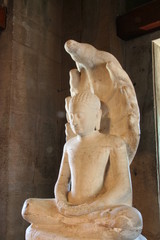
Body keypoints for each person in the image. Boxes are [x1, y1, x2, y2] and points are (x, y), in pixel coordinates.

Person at [22, 91, 143, 240]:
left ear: (97, 116)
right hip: (68, 208)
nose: (74, 121)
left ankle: (69, 228)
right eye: (71, 116)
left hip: (98, 210)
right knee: (28, 207)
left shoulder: (113, 143)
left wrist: (91, 207)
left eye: (79, 115)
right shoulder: (69, 146)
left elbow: (123, 188)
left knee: (130, 221)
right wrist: (61, 203)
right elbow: (61, 183)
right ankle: (82, 229)